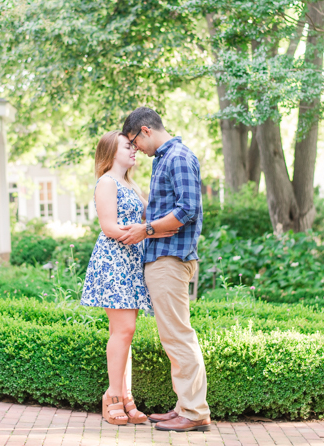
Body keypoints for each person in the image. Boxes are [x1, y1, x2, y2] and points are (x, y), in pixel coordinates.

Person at [117, 107, 211, 432]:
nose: (135, 150)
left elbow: (188, 208)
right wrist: (154, 227)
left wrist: (147, 229)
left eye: (133, 141)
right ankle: (184, 405)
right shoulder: (164, 159)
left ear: (144, 130)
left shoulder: (179, 157)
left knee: (179, 335)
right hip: (162, 257)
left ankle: (195, 412)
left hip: (171, 259)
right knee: (172, 335)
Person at [79, 130, 176, 426]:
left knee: (125, 333)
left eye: (134, 146)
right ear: (111, 152)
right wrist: (145, 232)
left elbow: (149, 220)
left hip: (131, 261)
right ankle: (112, 396)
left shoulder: (130, 184)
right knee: (124, 330)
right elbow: (109, 227)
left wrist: (160, 227)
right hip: (114, 262)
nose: (134, 150)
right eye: (127, 146)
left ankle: (126, 395)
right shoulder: (107, 182)